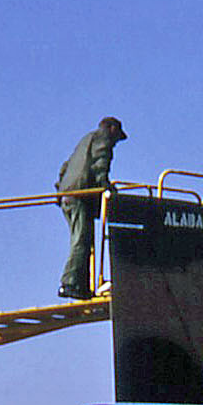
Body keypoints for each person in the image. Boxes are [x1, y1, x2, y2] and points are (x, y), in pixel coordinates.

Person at [56, 117, 126, 299]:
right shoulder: (103, 139)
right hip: (80, 194)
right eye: (117, 137)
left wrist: (59, 189)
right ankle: (69, 283)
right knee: (81, 240)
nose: (116, 143)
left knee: (84, 239)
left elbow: (65, 167)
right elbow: (100, 164)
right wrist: (106, 187)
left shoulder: (86, 140)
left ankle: (82, 286)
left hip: (69, 194)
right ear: (111, 130)